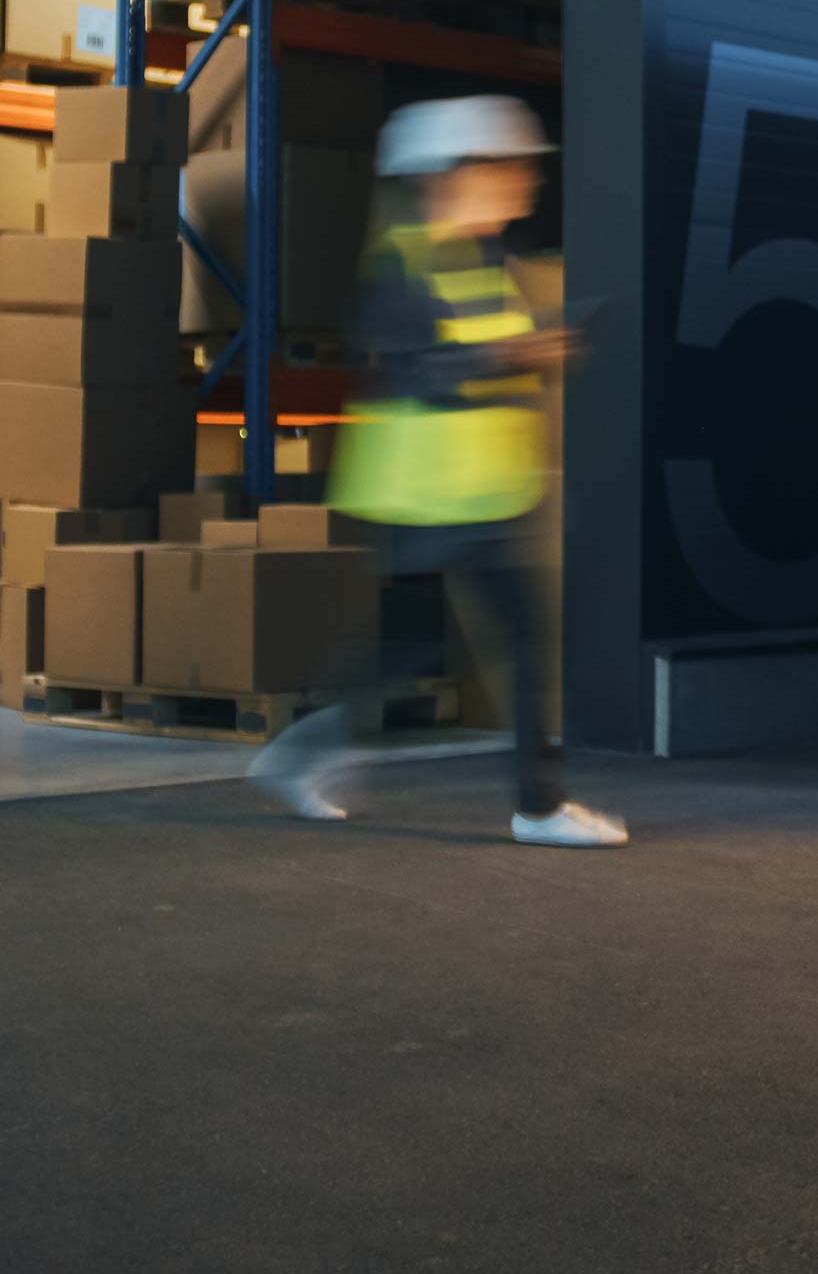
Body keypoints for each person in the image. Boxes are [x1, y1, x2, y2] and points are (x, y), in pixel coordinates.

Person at [250, 97, 627, 848]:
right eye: (507, 167)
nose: (525, 182)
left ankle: (315, 756)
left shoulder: (489, 262)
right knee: (449, 644)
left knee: (435, 645)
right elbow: (416, 369)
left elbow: (483, 363)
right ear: (455, 175)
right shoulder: (401, 265)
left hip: (487, 489)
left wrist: (537, 355)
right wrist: (519, 355)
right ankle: (535, 806)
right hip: (426, 493)